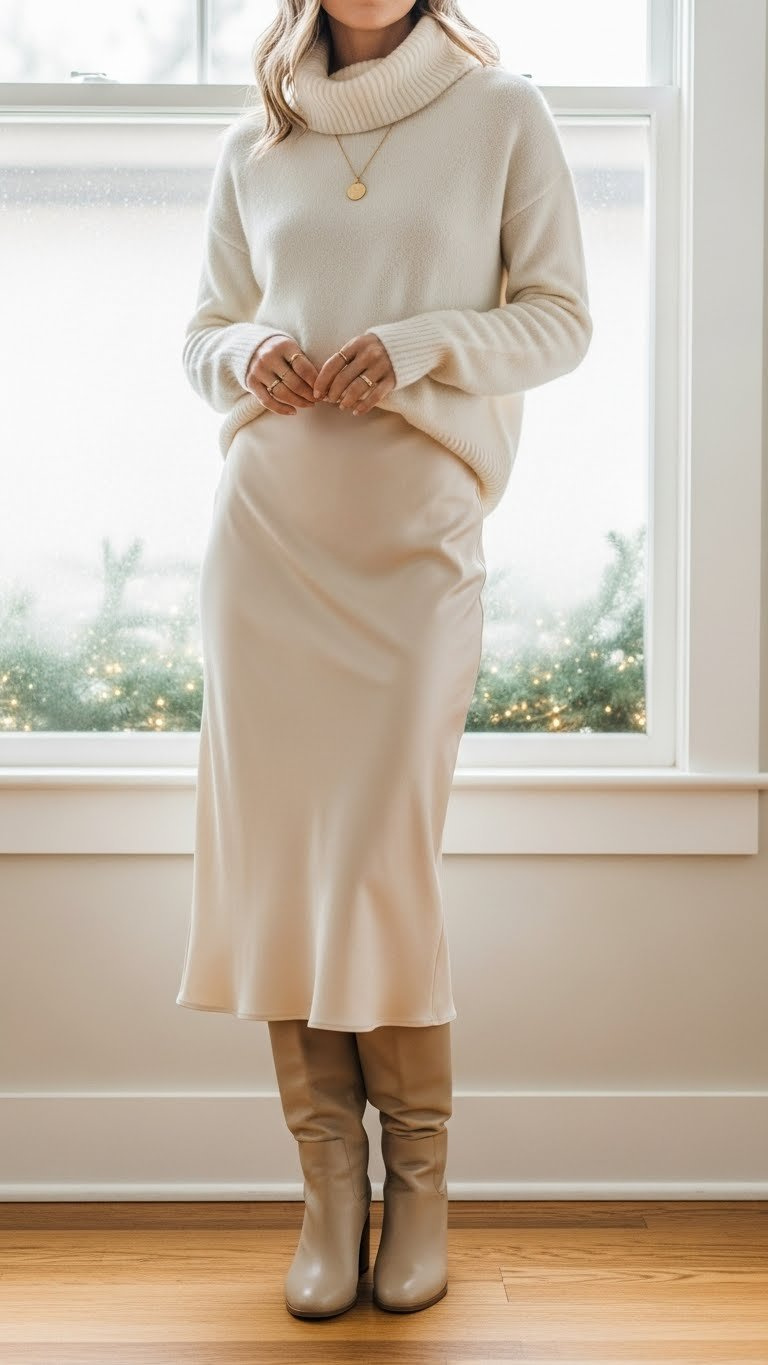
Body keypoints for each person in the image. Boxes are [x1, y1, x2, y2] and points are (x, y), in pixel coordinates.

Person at [175, 0, 592, 1321]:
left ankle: (419, 1183)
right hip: (268, 544)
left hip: (415, 539)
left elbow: (561, 320)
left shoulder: (502, 110)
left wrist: (418, 344)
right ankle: (327, 1192)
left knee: (382, 864)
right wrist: (248, 350)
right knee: (286, 868)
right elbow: (199, 337)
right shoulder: (259, 136)